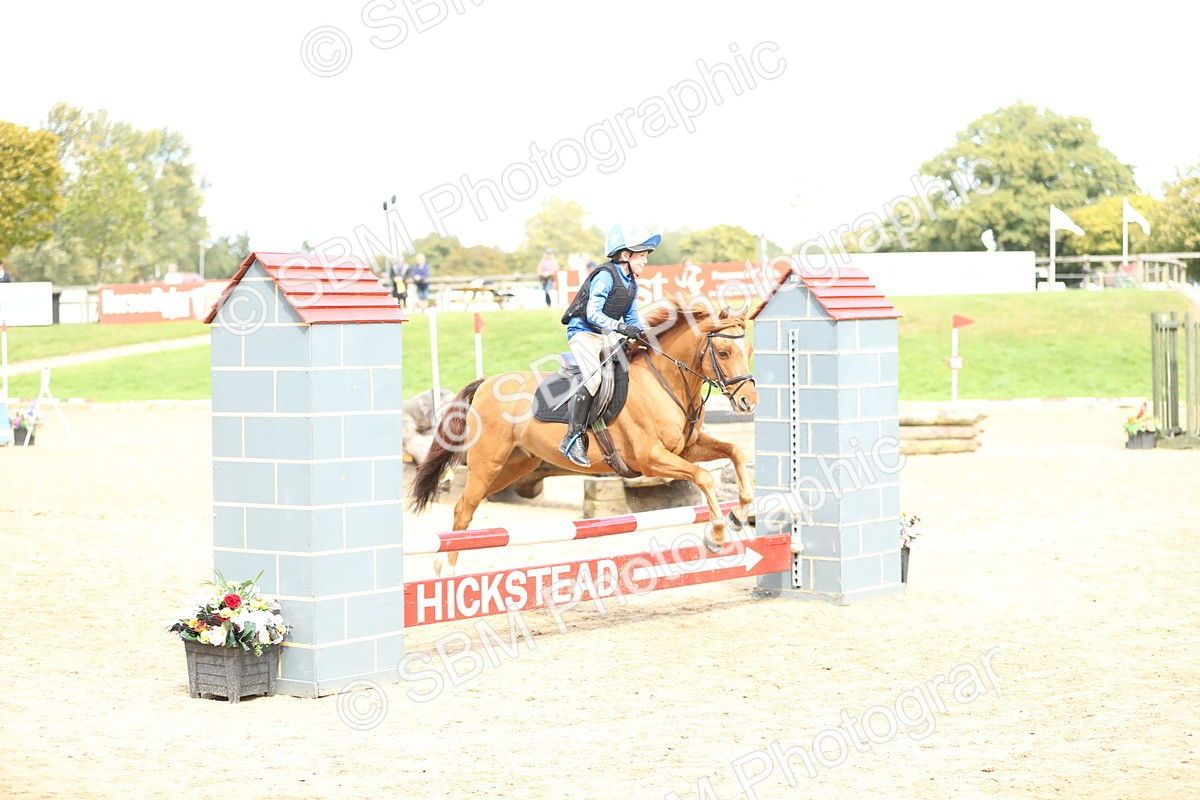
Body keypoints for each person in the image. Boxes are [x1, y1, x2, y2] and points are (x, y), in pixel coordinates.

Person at [556, 223, 658, 467]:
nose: (645, 261)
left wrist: (648, 337)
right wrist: (622, 328)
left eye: (645, 256)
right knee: (593, 379)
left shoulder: (632, 282)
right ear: (625, 255)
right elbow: (593, 313)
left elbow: (632, 318)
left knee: (632, 366)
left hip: (605, 334)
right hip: (583, 333)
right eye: (641, 255)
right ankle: (573, 437)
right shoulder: (604, 276)